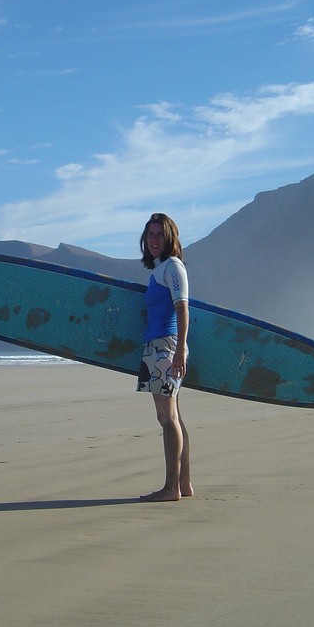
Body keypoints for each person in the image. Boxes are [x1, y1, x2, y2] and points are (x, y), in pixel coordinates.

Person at [136, 213, 193, 502]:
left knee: (166, 417)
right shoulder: (159, 269)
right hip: (158, 346)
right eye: (150, 234)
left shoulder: (173, 267)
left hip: (165, 346)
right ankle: (183, 483)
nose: (154, 239)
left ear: (170, 237)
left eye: (159, 234)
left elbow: (182, 308)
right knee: (174, 416)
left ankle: (171, 488)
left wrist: (180, 350)